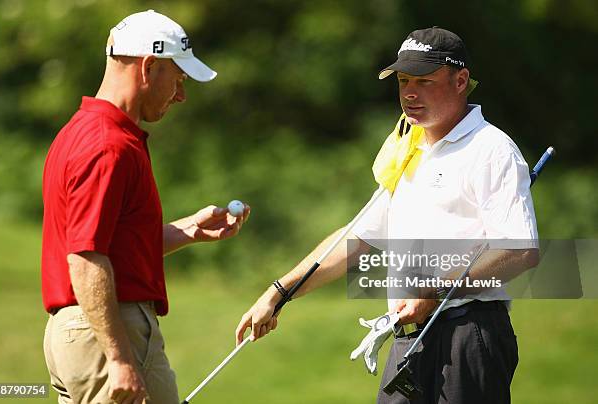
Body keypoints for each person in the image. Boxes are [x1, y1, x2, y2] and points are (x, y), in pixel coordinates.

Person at [235, 27, 539, 403]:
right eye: (403, 80)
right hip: (409, 335)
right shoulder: (410, 149)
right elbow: (357, 238)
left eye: (425, 81)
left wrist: (436, 291)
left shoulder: (492, 150)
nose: (410, 93)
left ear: (461, 81)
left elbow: (520, 251)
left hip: (467, 334)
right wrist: (278, 292)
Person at [41, 10, 249, 404]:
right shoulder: (108, 146)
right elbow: (85, 259)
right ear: (149, 67)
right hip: (106, 333)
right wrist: (119, 359)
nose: (182, 95)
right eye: (179, 78)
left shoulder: (81, 132)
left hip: (80, 333)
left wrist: (189, 230)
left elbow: (108, 244)